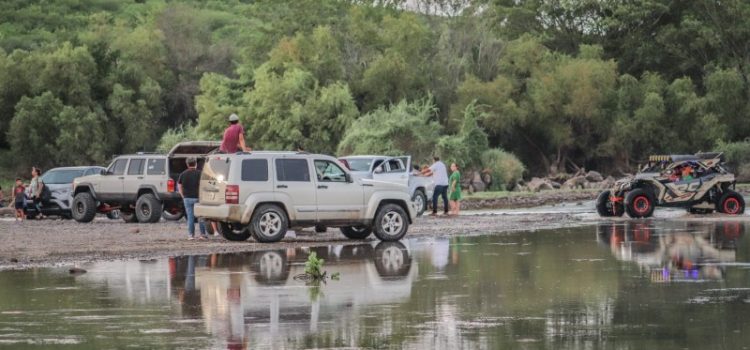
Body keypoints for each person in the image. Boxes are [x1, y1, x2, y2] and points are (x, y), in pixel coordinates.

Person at [178, 157, 208, 240]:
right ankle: (203, 235)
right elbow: (204, 185)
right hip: (198, 198)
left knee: (190, 217)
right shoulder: (200, 173)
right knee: (200, 217)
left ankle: (191, 235)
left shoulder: (183, 174)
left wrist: (182, 195)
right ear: (196, 164)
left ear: (187, 164)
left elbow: (179, 185)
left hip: (187, 198)